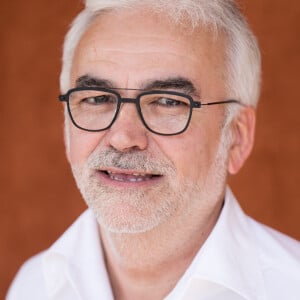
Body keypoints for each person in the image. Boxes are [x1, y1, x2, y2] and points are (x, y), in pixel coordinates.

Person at [7, 0, 300, 299]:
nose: (123, 138)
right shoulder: (34, 286)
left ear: (237, 138)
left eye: (168, 102)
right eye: (96, 99)